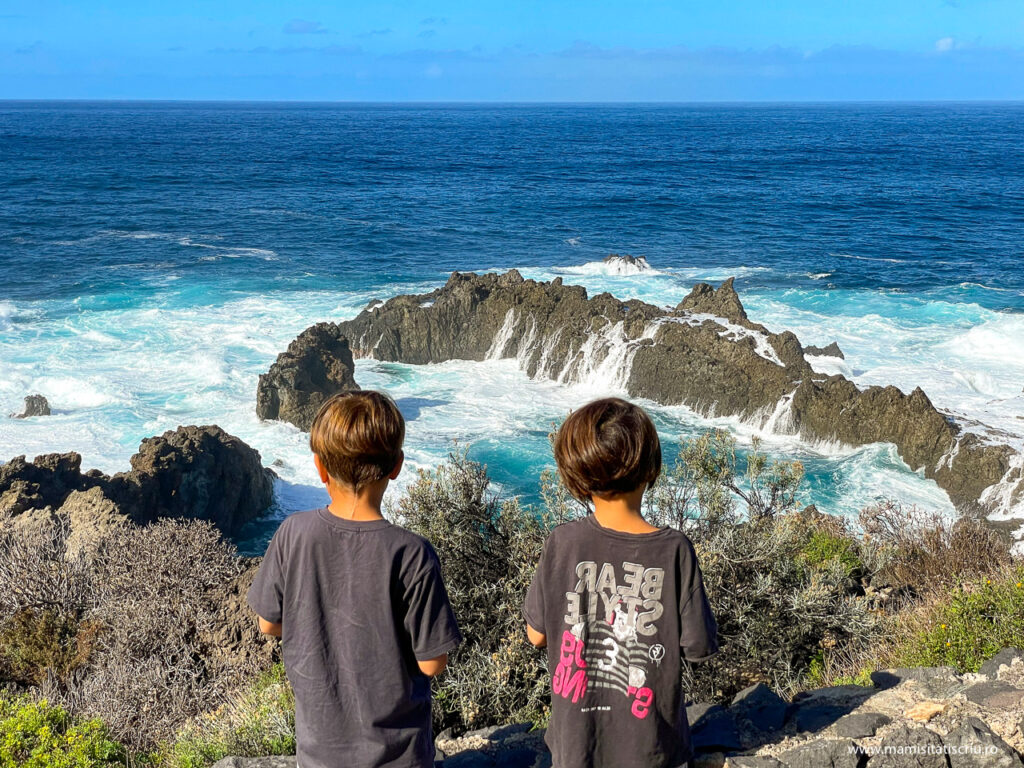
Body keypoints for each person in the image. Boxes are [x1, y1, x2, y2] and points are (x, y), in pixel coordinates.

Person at [248, 390, 461, 768]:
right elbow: (432, 663)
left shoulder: (293, 533)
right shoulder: (412, 553)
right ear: (396, 465)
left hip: (319, 755)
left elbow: (268, 623)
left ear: (319, 468)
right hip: (400, 757)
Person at [523, 397, 718, 768]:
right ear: (650, 468)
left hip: (575, 750)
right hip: (652, 752)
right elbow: (698, 647)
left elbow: (536, 635)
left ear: (576, 474)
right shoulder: (674, 550)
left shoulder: (562, 543)